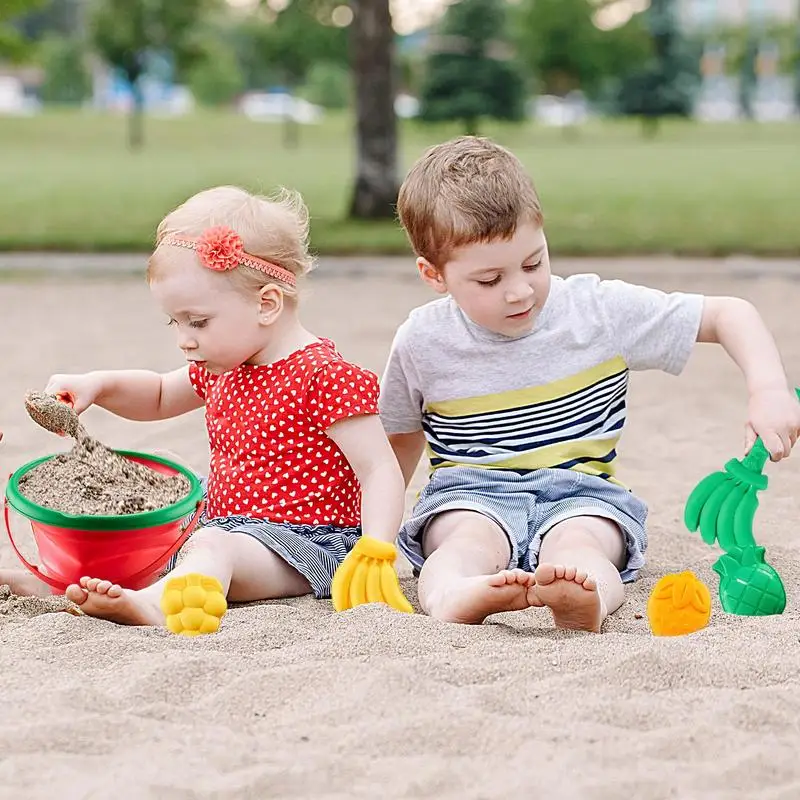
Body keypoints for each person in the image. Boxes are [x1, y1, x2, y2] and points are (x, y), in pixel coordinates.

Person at [379, 135, 800, 632]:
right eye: (489, 280)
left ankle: (586, 601)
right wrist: (375, 542)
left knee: (583, 547)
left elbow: (729, 314)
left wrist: (768, 389)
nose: (519, 291)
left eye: (533, 263)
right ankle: (455, 595)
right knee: (461, 543)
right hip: (470, 492)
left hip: (581, 492)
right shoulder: (422, 340)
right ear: (434, 275)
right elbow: (397, 447)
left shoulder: (597, 311)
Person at [1, 186, 407, 633]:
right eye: (175, 322)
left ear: (266, 304)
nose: (184, 339)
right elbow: (157, 395)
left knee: (213, 546)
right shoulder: (225, 366)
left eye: (198, 322)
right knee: (157, 542)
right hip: (225, 530)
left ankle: (154, 607)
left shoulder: (324, 376)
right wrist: (96, 385)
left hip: (308, 545)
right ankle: (58, 584)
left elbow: (378, 469)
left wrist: (376, 549)